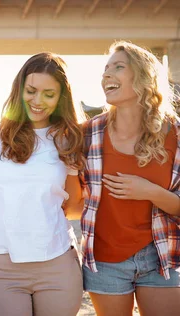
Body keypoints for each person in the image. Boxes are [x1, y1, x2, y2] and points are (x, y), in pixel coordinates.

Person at [0, 52, 85, 315]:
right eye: (31, 91)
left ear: (61, 98)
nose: (37, 101)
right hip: (3, 269)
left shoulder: (68, 140)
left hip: (58, 266)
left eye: (49, 94)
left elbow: (74, 206)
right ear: (20, 89)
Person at [80, 41, 180, 315]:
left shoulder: (176, 135)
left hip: (161, 258)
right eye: (105, 69)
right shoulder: (87, 134)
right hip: (106, 260)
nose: (106, 75)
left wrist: (150, 191)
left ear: (144, 77)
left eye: (118, 67)